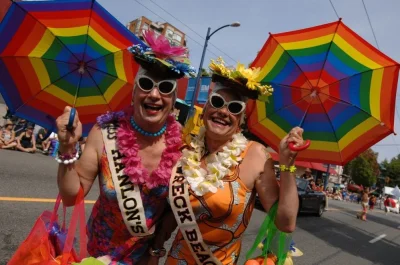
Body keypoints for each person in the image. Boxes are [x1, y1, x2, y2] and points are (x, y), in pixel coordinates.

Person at [56, 30, 195, 265]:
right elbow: (71, 197)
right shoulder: (105, 133)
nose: (154, 94)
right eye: (146, 83)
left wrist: (156, 251)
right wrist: (67, 147)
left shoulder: (184, 147)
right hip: (99, 256)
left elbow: (175, 210)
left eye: (165, 88)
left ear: (173, 100)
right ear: (134, 92)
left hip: (143, 259)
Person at [163, 57, 302, 265]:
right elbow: (173, 215)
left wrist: (287, 164)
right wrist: (155, 248)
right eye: (218, 102)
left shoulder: (255, 155)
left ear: (241, 119)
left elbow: (286, 223)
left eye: (234, 108)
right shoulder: (187, 150)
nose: (223, 112)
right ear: (207, 107)